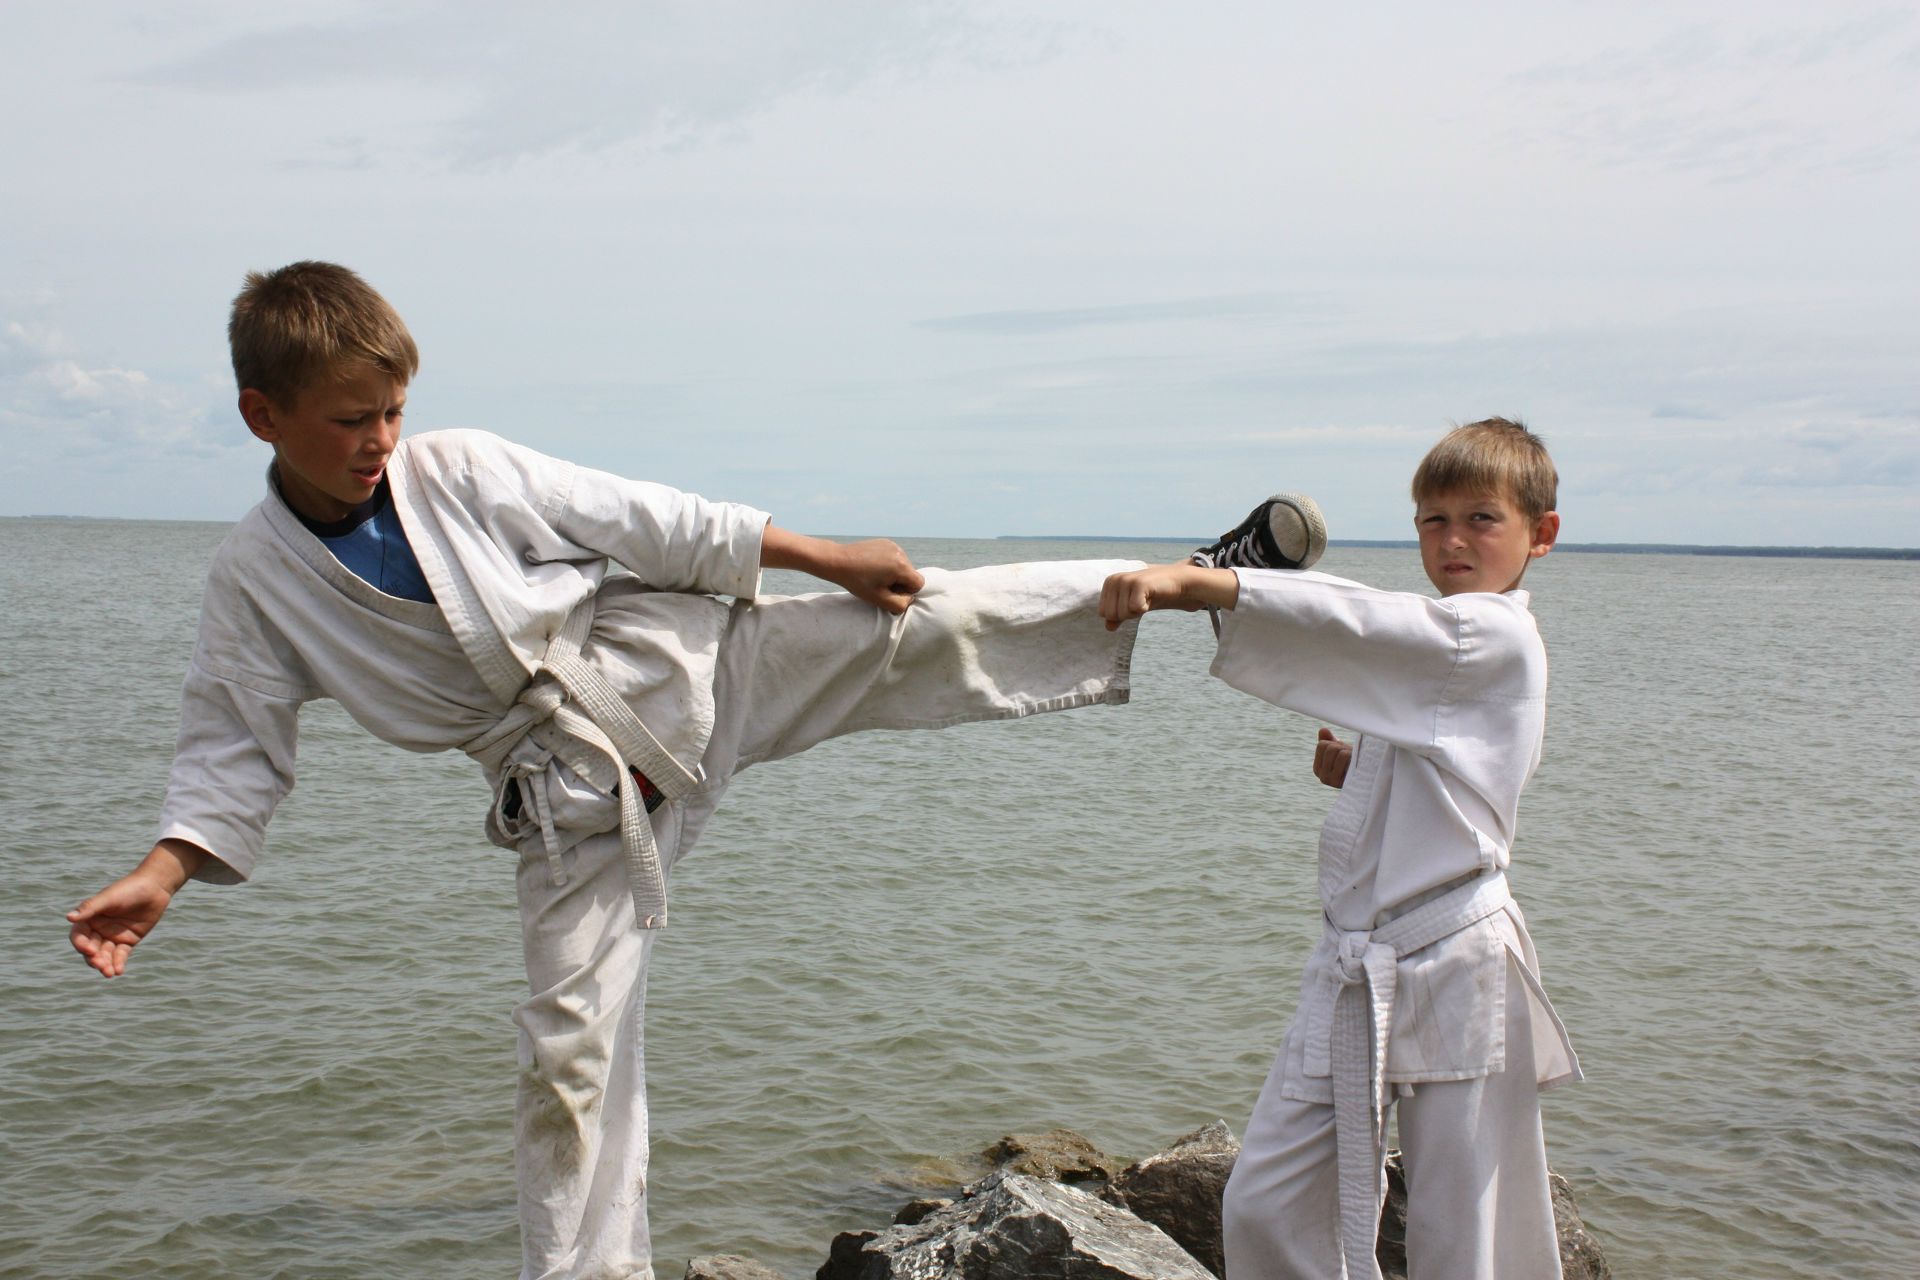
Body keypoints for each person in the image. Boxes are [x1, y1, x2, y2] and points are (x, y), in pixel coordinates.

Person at [66, 261, 1143, 1280]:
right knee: (567, 1059)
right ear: (263, 415)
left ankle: (1176, 585)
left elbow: (643, 520)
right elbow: (232, 737)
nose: (380, 440)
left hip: (682, 670)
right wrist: (164, 871)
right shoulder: (255, 581)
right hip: (569, 801)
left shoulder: (460, 468)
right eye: (351, 420)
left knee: (925, 620)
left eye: (392, 412)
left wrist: (825, 556)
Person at [1098, 420, 1581, 1280]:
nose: (1454, 540)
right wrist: (1364, 770)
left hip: (1455, 957)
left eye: (1482, 519)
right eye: (1434, 521)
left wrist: (1202, 583)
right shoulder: (1438, 647)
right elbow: (1443, 753)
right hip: (1361, 959)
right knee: (1267, 1202)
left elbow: (1361, 620)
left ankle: (1225, 570)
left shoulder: (1495, 637)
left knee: (1465, 1235)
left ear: (1540, 534)